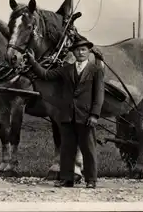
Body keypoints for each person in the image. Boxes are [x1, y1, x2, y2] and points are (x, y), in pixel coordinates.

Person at [26, 38, 105, 188]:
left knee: (88, 149)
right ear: (73, 53)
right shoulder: (66, 69)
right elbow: (46, 75)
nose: (80, 52)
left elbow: (99, 95)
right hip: (67, 115)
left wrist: (95, 115)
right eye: (77, 50)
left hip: (86, 116)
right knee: (67, 149)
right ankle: (67, 178)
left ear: (89, 52)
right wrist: (32, 62)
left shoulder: (96, 71)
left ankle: (91, 180)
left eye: (84, 50)